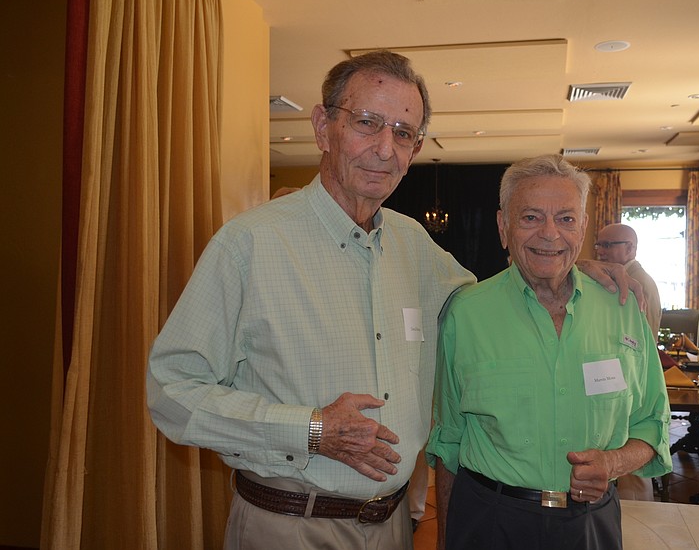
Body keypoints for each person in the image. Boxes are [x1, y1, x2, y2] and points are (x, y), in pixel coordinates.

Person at [147, 52, 640, 550]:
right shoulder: (250, 245)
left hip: (392, 526)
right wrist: (311, 429)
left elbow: (487, 304)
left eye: (404, 133)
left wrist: (566, 267)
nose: (385, 148)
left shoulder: (414, 245)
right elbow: (171, 391)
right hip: (291, 523)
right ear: (323, 127)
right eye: (367, 123)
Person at [426, 154, 672, 550]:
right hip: (489, 522)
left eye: (566, 218)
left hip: (591, 523)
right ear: (503, 227)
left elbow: (653, 425)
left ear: (584, 228)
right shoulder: (465, 314)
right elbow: (449, 441)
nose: (550, 234)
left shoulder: (624, 308)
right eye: (530, 218)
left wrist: (612, 463)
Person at [595, 222, 662, 337]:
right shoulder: (623, 277)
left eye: (606, 245)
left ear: (629, 248)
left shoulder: (637, 283)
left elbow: (641, 337)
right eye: (598, 245)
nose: (599, 251)